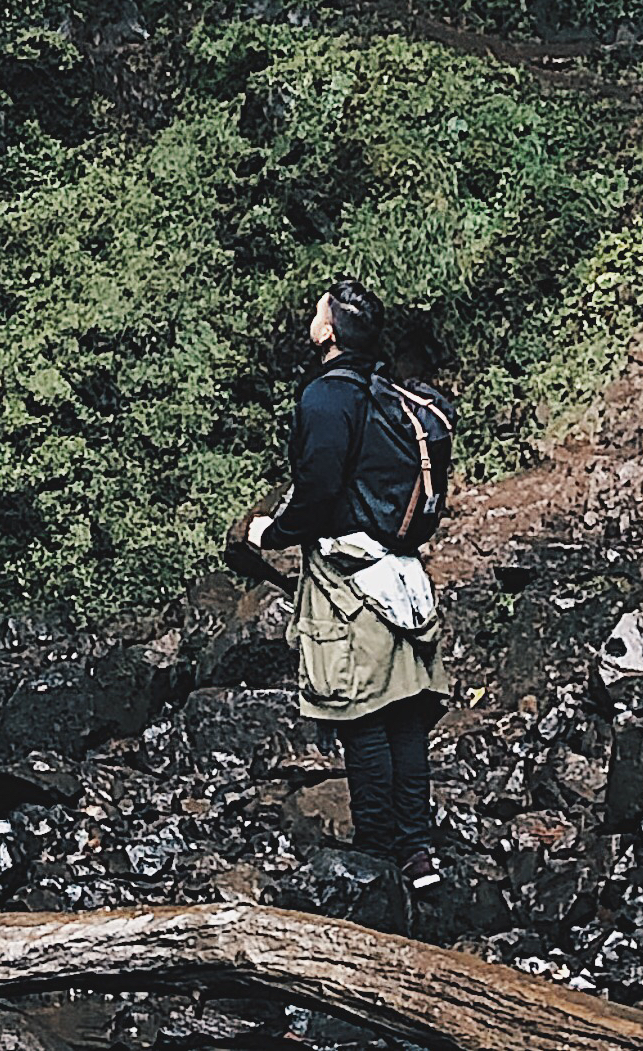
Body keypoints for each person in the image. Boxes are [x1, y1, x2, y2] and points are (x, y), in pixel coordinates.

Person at [245, 278, 449, 902]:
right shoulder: (390, 392)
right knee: (408, 712)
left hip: (347, 575)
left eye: (317, 312)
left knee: (361, 714)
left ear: (331, 331)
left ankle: (379, 855)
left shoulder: (325, 398)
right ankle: (419, 850)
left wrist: (269, 532)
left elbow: (317, 491)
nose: (312, 317)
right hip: (402, 569)